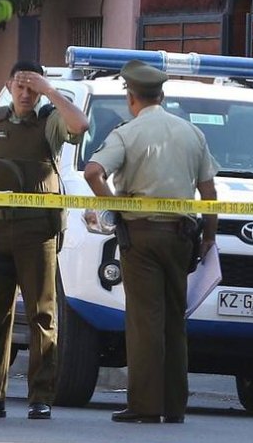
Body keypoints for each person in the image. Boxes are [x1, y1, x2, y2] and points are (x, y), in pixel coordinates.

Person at [83, 60, 218, 424]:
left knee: (145, 321)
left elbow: (93, 172)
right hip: (182, 237)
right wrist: (208, 237)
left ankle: (144, 405)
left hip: (140, 237)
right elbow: (209, 192)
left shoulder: (127, 134)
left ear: (131, 98)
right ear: (162, 95)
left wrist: (112, 207)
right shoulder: (191, 134)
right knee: (175, 319)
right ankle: (174, 406)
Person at [0, 61, 89, 421]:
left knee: (41, 315)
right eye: (21, 87)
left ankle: (40, 396)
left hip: (38, 232)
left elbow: (80, 125)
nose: (26, 94)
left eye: (32, 88)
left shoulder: (50, 119)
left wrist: (50, 89)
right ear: (9, 86)